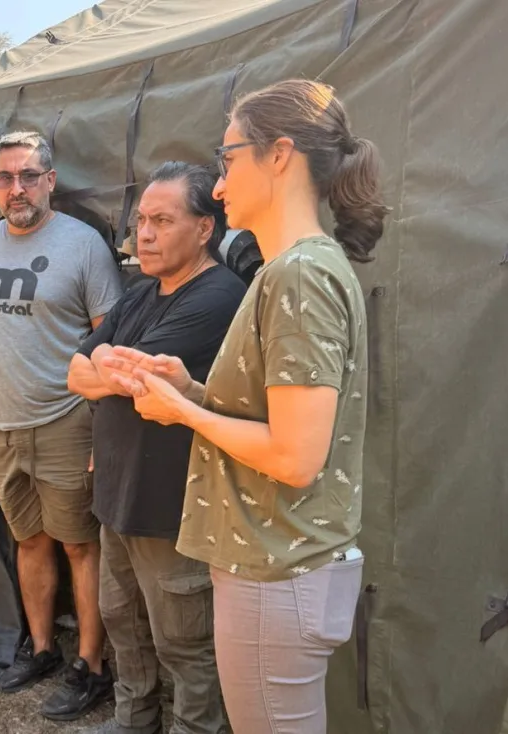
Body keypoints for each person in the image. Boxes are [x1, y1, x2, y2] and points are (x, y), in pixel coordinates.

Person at [103, 79, 389, 733]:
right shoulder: (291, 270)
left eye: (228, 160)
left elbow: (293, 456)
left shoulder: (299, 276)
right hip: (278, 569)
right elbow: (275, 420)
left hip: (275, 572)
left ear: (280, 154)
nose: (222, 185)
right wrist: (191, 387)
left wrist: (184, 414)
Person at [0, 131, 124, 721]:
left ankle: (91, 664)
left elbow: (110, 333)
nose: (17, 189)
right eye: (5, 178)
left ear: (50, 180)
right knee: (30, 540)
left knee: (80, 544)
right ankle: (42, 648)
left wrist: (100, 419)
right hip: (1, 422)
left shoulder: (83, 245)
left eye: (28, 176)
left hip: (66, 420)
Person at [68, 162, 243, 734]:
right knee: (123, 621)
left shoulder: (218, 295)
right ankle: (133, 720)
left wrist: (106, 365)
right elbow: (75, 371)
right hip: (118, 491)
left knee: (185, 641)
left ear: (204, 229)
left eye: (162, 220)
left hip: (173, 506)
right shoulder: (140, 292)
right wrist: (105, 366)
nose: (143, 233)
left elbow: (138, 378)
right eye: (141, 220)